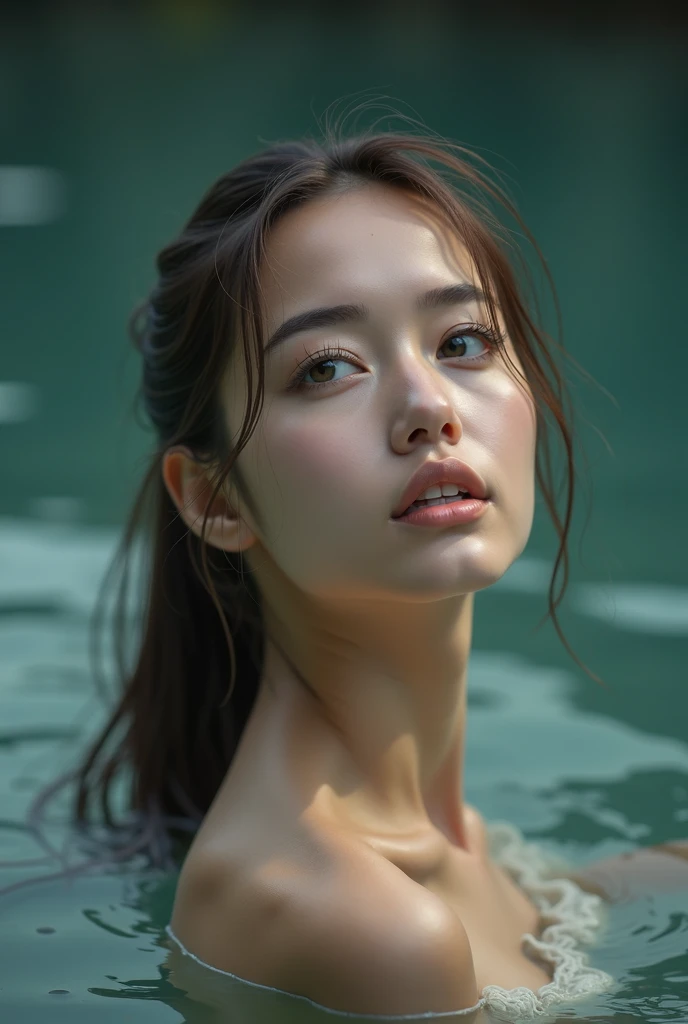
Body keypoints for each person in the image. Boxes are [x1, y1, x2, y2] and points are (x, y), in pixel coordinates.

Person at [9, 119, 688, 1021]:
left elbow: (526, 916)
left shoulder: (423, 851)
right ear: (215, 498)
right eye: (328, 367)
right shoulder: (375, 933)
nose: (428, 406)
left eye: (463, 342)